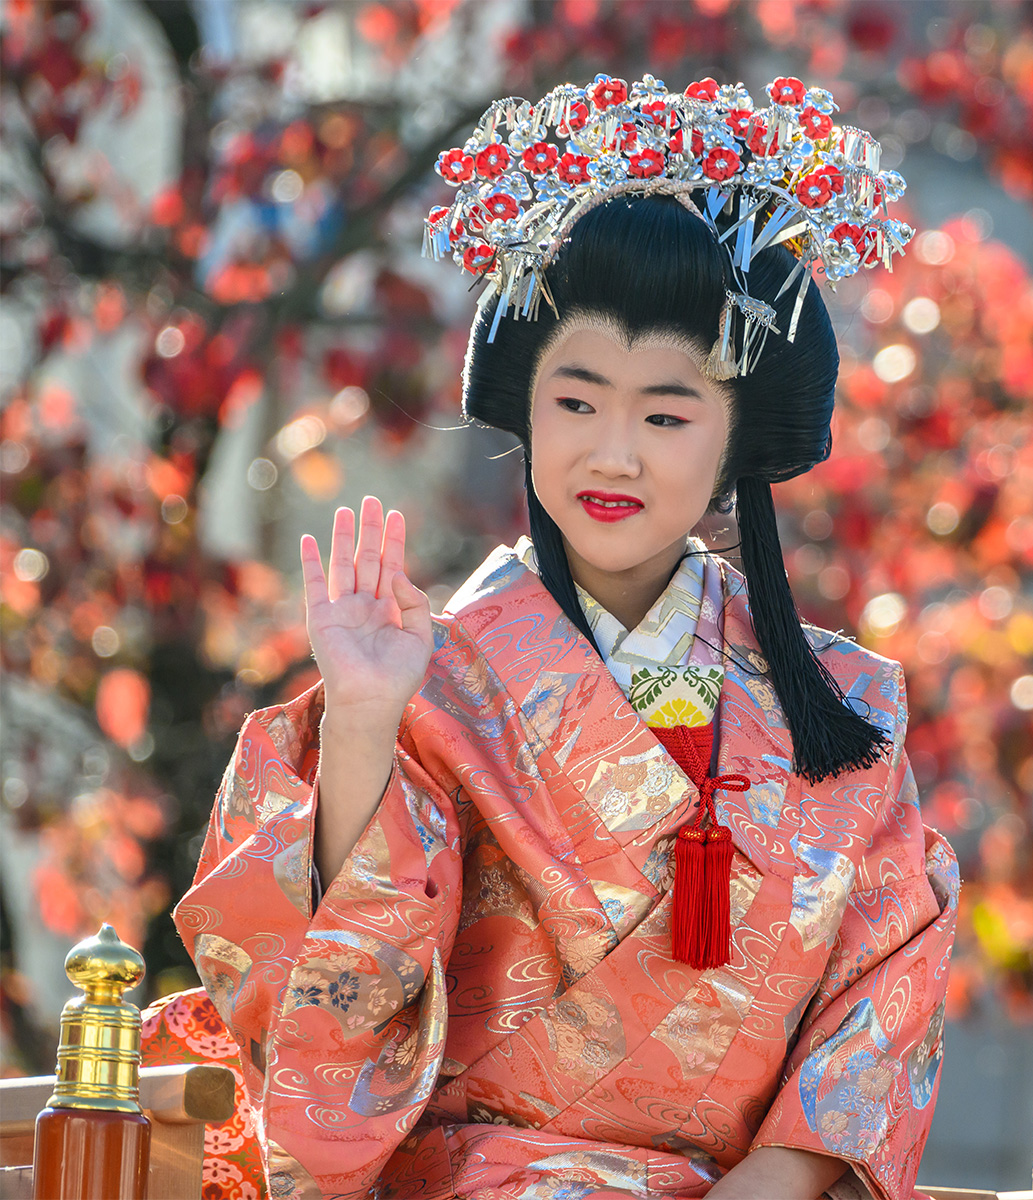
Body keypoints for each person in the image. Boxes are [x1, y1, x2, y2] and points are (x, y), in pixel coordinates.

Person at [162, 74, 957, 1200]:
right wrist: (366, 722)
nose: (611, 453)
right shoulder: (441, 681)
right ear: (526, 410)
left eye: (666, 414)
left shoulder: (847, 711)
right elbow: (325, 1018)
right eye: (577, 401)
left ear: (737, 442)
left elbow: (877, 1013)